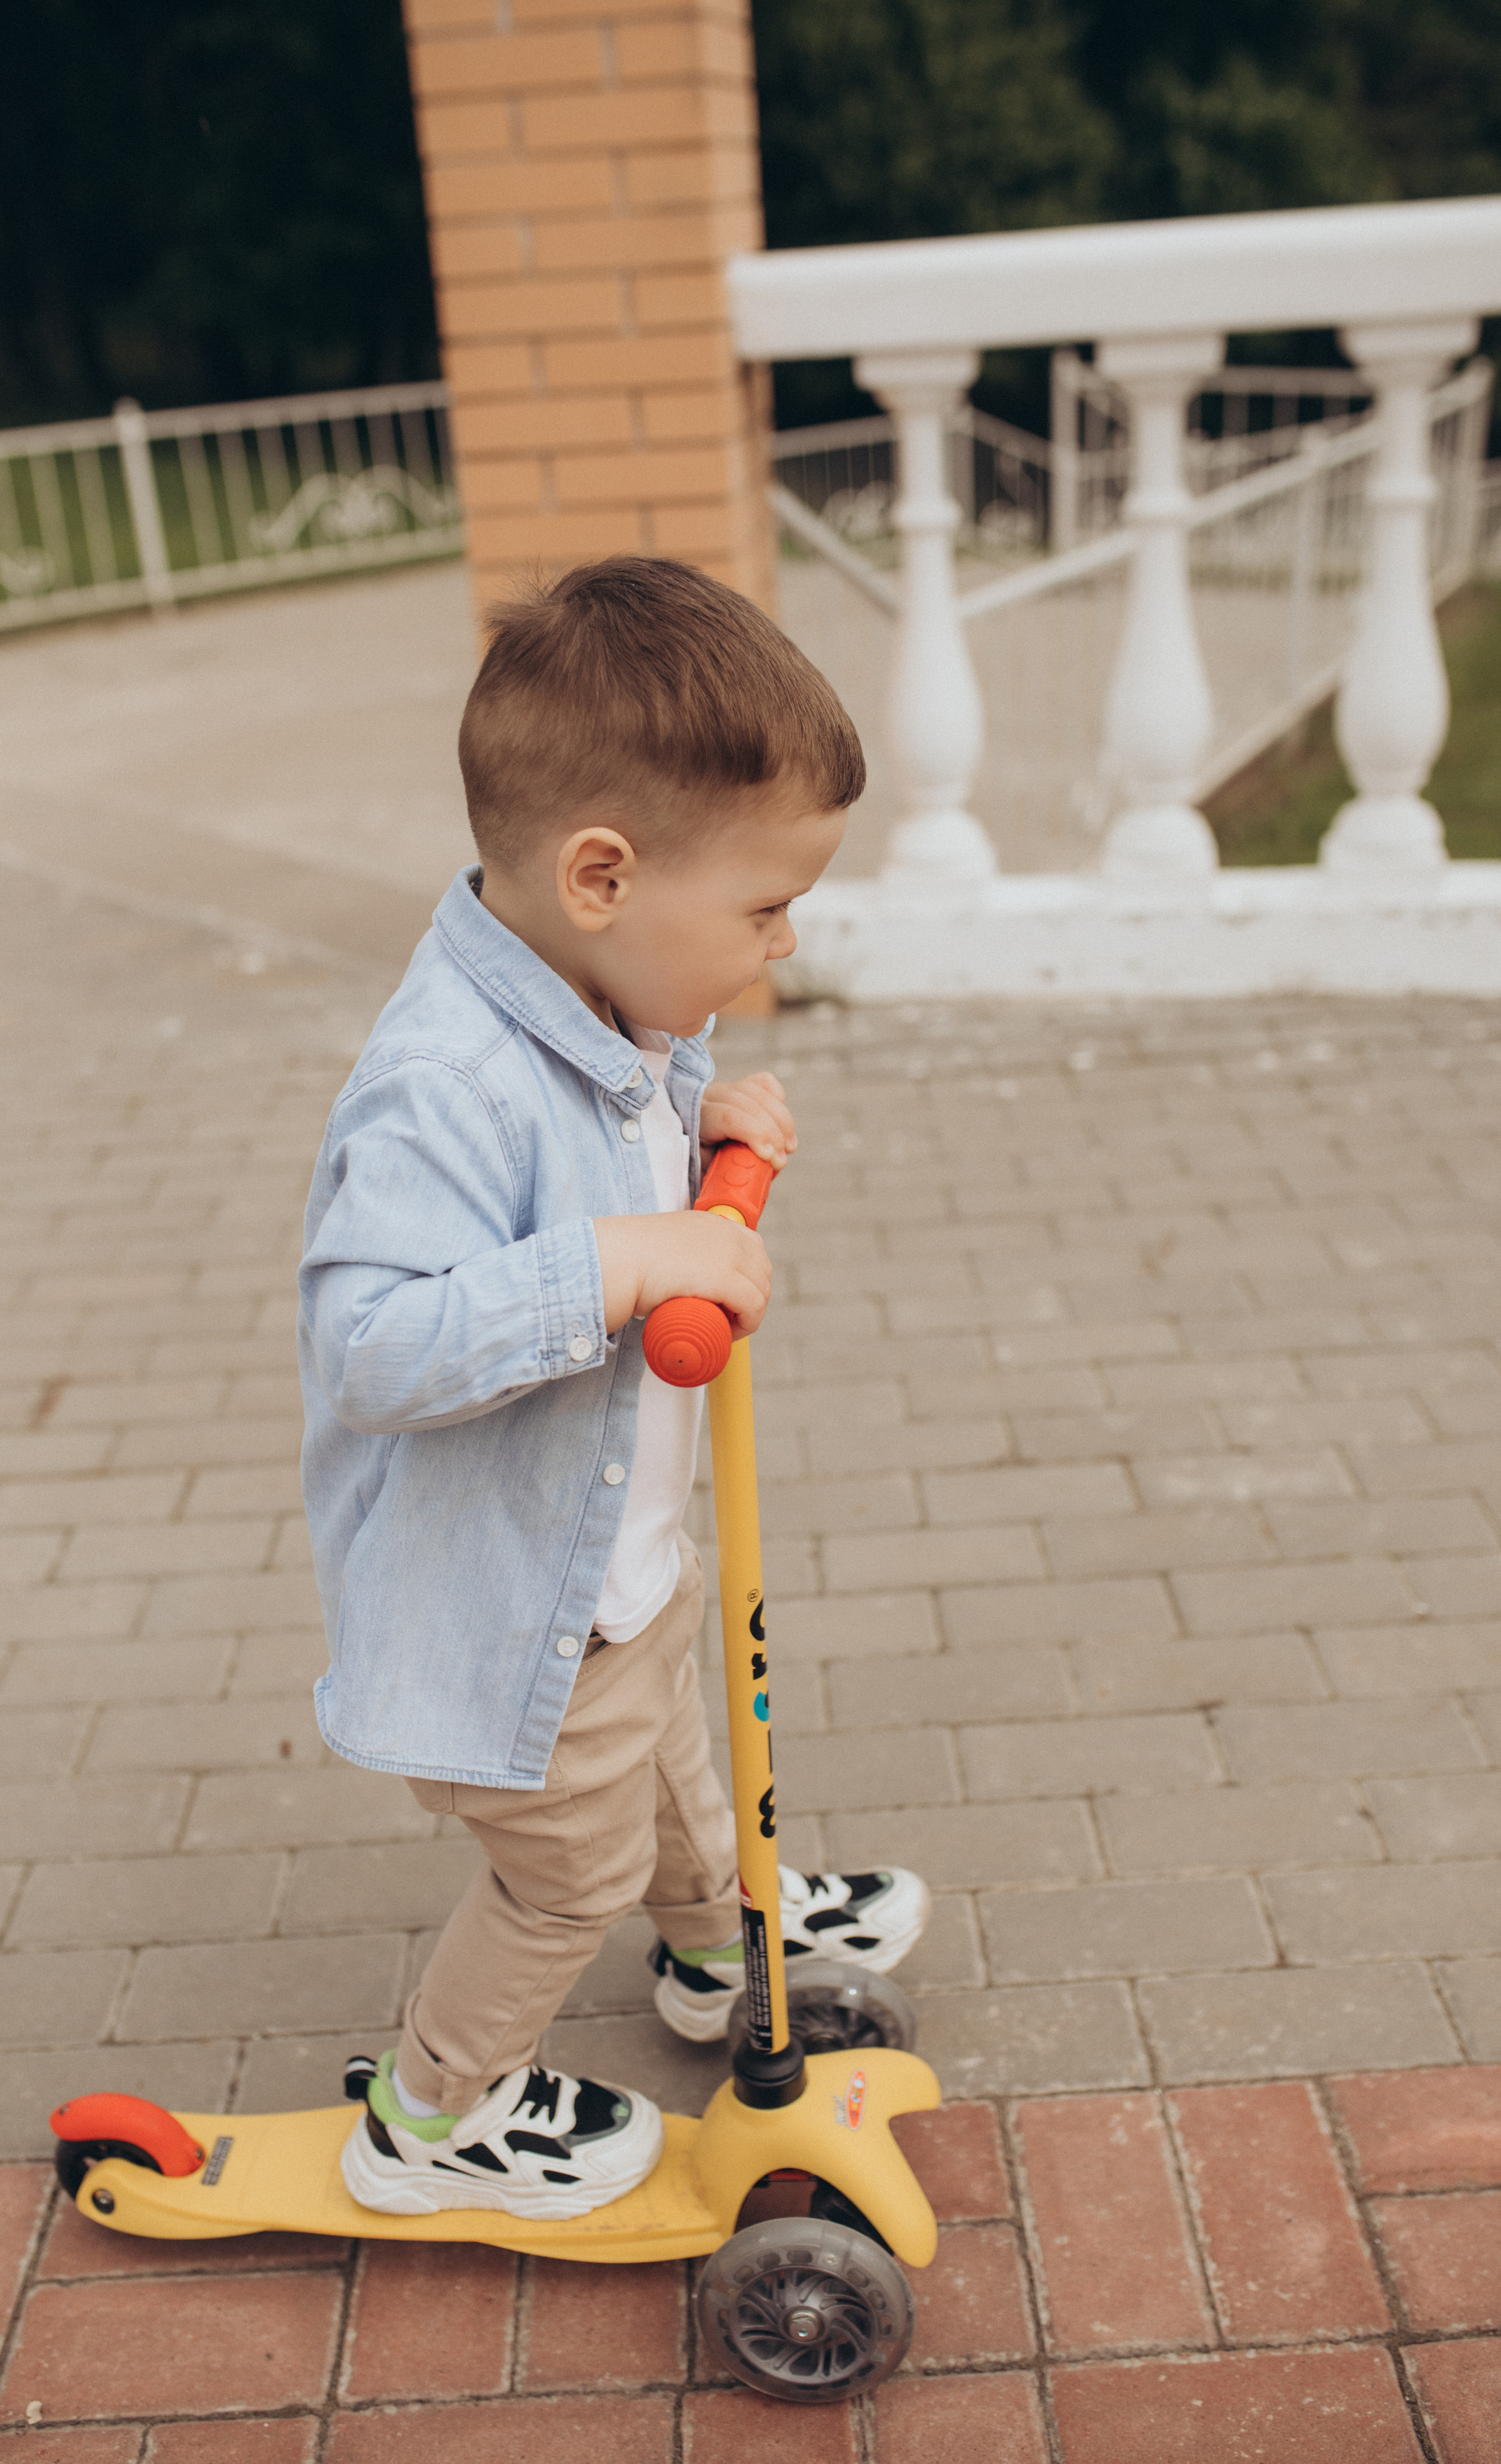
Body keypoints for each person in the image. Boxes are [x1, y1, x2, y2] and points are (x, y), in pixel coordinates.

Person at [298, 556, 929, 2220]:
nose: (785, 940)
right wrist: (627, 1262)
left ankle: (720, 1958)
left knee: (673, 1772)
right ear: (601, 874)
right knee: (565, 1866)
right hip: (512, 1604)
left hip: (609, 1565)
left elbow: (649, 1087)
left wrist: (712, 1130)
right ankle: (431, 2117)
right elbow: (371, 1346)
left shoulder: (604, 991)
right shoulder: (442, 1084)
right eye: (765, 909)